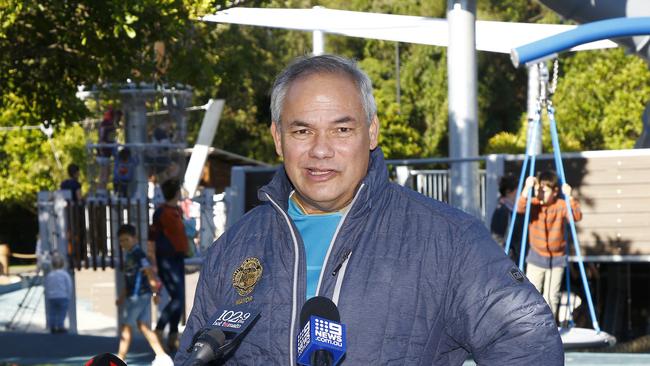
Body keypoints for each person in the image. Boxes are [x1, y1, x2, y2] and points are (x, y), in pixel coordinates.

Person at [175, 55, 563, 365]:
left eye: (342, 130)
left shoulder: (448, 240)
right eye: (301, 130)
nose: (321, 149)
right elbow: (192, 354)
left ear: (372, 132)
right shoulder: (236, 246)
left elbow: (530, 347)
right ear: (278, 139)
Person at [518, 170, 582, 320]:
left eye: (544, 190)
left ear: (555, 191)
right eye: (537, 190)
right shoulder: (534, 205)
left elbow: (576, 216)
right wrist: (527, 188)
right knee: (531, 294)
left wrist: (570, 197)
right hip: (536, 257)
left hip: (556, 259)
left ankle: (549, 327)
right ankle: (530, 325)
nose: (539, 194)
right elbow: (519, 208)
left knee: (551, 297)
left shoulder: (560, 205)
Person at [115, 224, 173, 366]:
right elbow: (130, 278)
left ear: (134, 238)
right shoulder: (130, 254)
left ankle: (120, 358)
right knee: (143, 326)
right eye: (121, 241)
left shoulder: (138, 254)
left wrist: (155, 292)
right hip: (134, 295)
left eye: (126, 240)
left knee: (126, 327)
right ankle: (163, 357)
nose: (123, 243)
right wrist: (122, 295)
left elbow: (149, 273)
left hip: (138, 296)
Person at [149, 179, 188, 353]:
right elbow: (152, 237)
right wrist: (153, 262)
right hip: (167, 259)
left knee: (178, 299)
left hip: (177, 259)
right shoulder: (161, 213)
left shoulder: (177, 210)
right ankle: (159, 330)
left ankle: (173, 337)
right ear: (176, 192)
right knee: (178, 298)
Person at [490, 174, 524, 261]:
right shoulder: (502, 210)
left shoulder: (513, 208)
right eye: (518, 189)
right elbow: (497, 237)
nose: (520, 192)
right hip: (508, 258)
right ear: (509, 191)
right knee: (516, 275)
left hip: (515, 255)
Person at [44, 252, 72, 334]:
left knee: (52, 312)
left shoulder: (50, 275)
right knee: (62, 313)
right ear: (63, 264)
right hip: (63, 296)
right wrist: (68, 296)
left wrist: (48, 295)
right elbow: (69, 286)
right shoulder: (65, 274)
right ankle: (60, 326)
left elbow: (47, 285)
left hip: (52, 297)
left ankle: (52, 326)